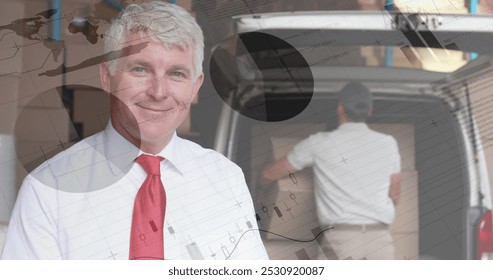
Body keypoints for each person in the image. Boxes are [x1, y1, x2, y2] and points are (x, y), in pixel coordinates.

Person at [1, 1, 268, 260]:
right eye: (140, 69)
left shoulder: (225, 179)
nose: (158, 92)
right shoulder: (49, 190)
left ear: (195, 86)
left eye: (176, 74)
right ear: (107, 77)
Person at [261, 81, 401, 260]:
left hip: (342, 240)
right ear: (370, 111)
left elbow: (270, 173)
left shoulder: (319, 143)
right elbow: (395, 196)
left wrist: (260, 190)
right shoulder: (388, 143)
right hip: (380, 240)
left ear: (340, 108)